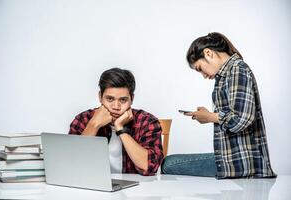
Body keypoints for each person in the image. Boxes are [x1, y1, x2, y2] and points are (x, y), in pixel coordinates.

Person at [161, 32, 276, 179]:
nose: (203, 75)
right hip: (235, 159)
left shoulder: (237, 69)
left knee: (168, 164)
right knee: (169, 164)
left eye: (200, 68)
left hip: (242, 163)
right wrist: (209, 115)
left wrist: (209, 117)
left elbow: (242, 118)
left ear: (208, 53)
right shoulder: (227, 73)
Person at [69, 67, 163, 176]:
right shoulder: (83, 119)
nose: (116, 107)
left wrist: (121, 129)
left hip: (135, 189)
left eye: (123, 100)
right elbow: (71, 163)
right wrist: (94, 125)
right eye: (110, 99)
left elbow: (149, 167)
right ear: (100, 97)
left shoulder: (147, 121)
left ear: (131, 98)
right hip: (93, 187)